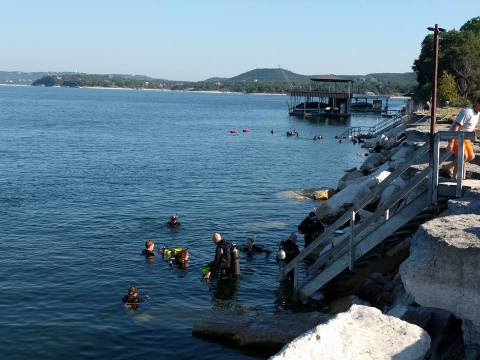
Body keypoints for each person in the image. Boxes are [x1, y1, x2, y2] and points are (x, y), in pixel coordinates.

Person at [443, 98, 480, 178]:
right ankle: (455, 178)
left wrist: (477, 132)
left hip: (465, 137)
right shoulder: (467, 112)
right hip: (455, 135)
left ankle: (447, 167)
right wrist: (451, 143)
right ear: (476, 102)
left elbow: (469, 127)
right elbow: (456, 127)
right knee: (463, 156)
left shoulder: (477, 113)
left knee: (471, 156)